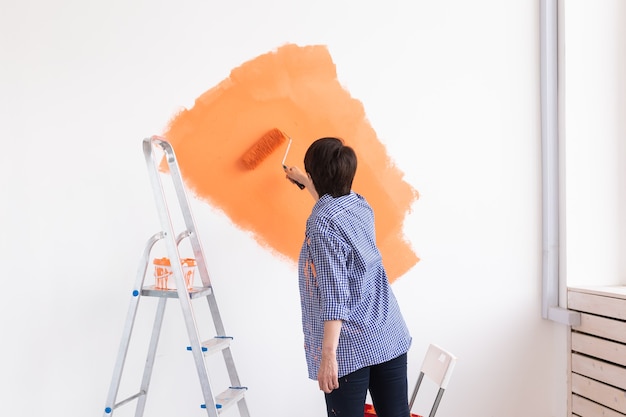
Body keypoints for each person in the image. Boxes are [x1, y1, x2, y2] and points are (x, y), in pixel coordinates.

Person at [284, 137, 412, 417]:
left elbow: (334, 295)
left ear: (316, 174)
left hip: (349, 345)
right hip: (387, 332)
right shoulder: (359, 205)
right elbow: (332, 208)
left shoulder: (321, 225)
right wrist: (306, 182)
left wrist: (328, 355)